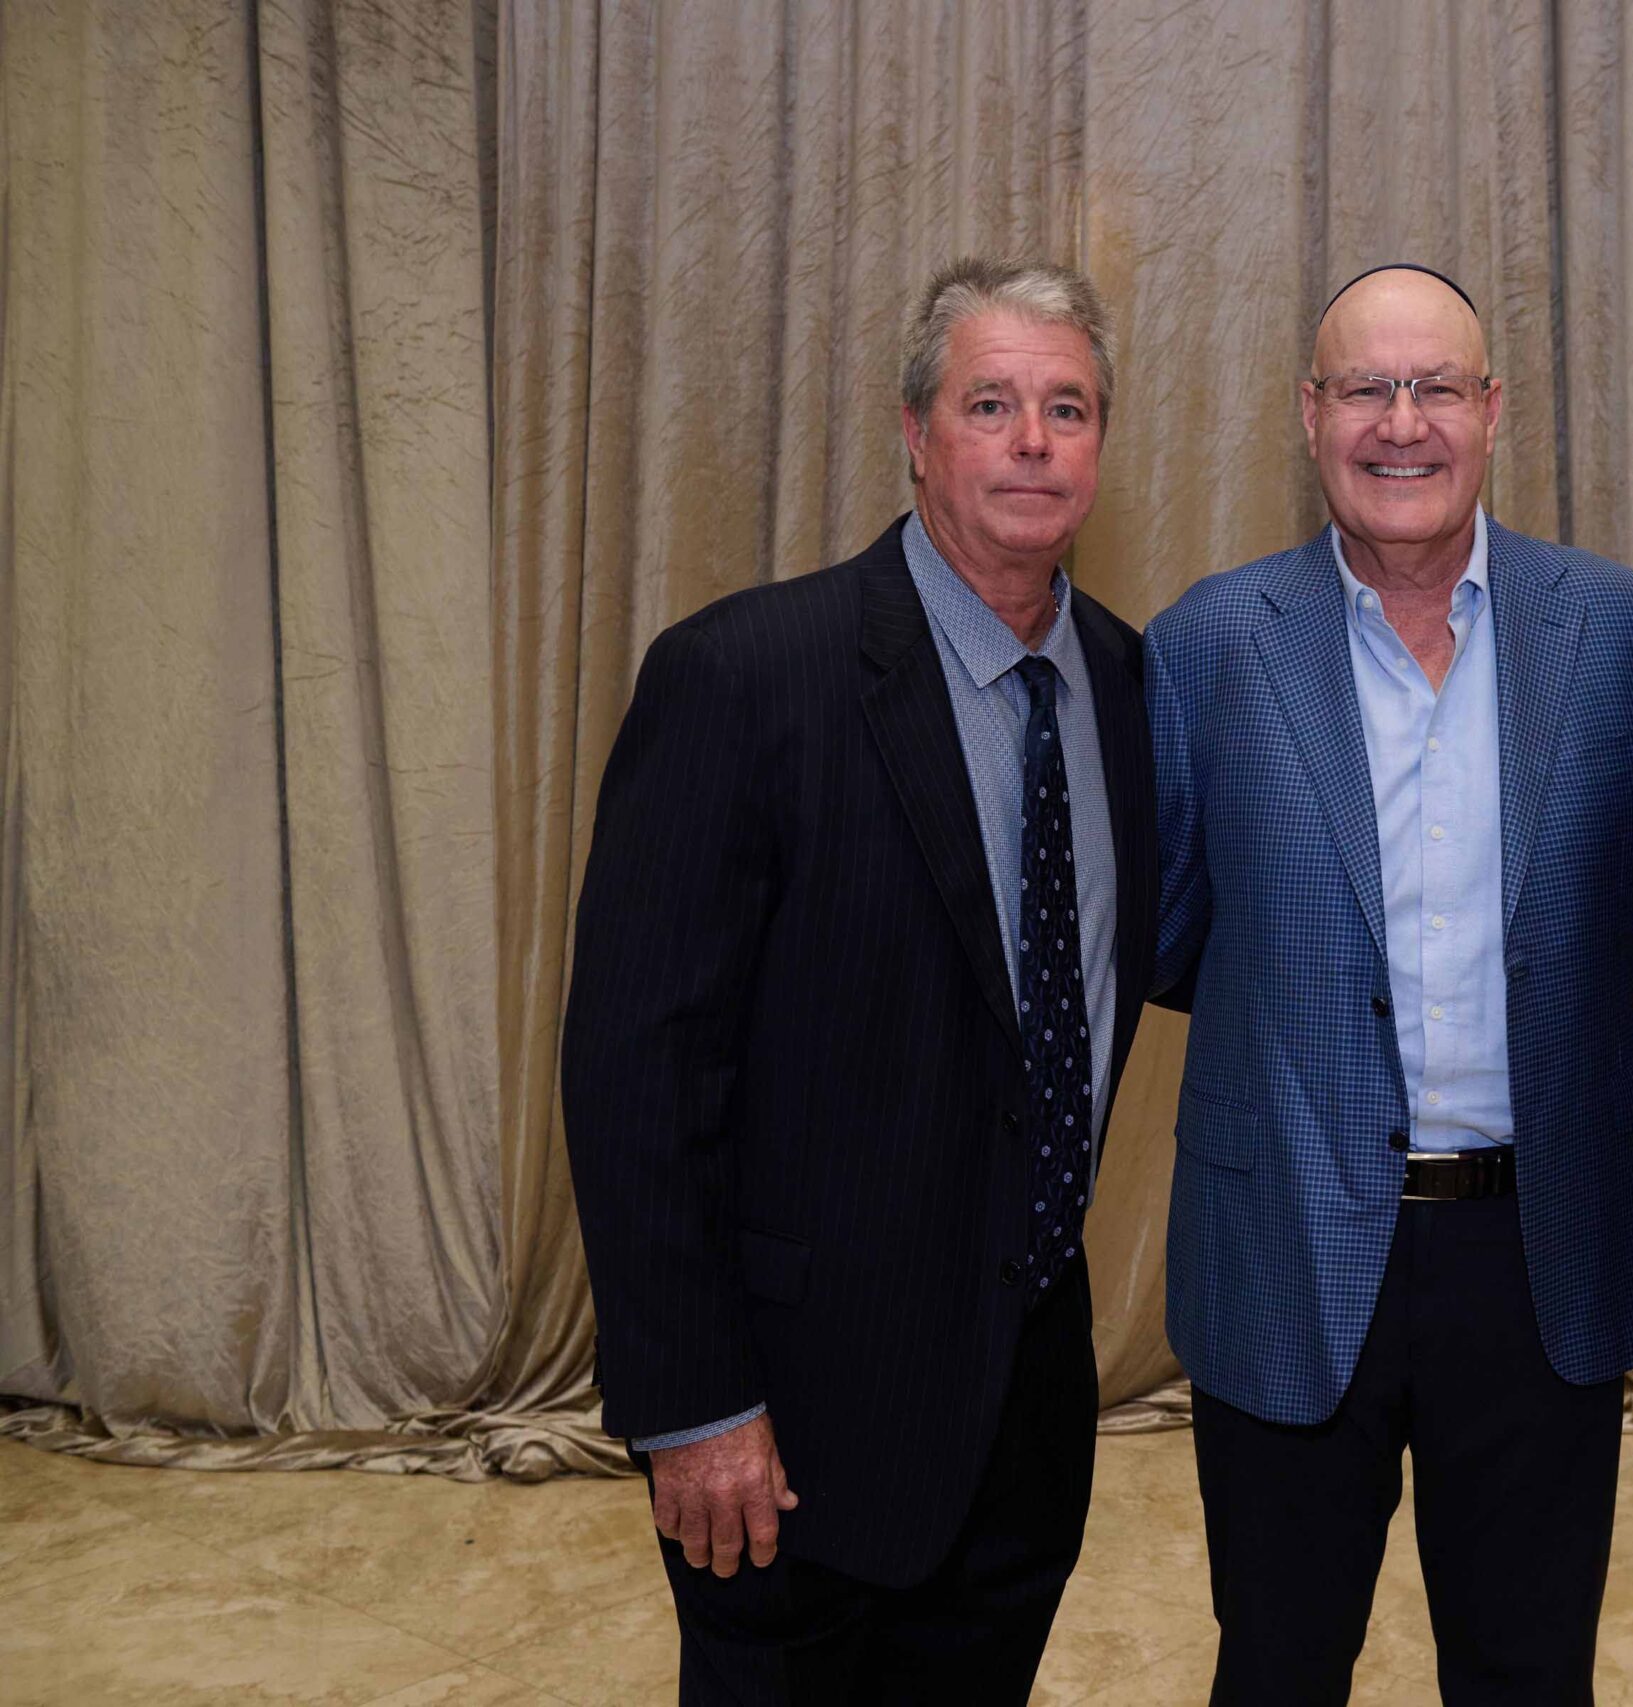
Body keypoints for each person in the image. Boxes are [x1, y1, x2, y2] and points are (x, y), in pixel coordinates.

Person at [559, 256, 1153, 1704]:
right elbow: (636, 1072)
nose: (1031, 442)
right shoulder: (744, 677)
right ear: (914, 433)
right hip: (792, 1427)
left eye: (1067, 408)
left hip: (1025, 1409)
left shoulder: (1132, 687)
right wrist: (695, 1402)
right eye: (990, 404)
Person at [1145, 263, 1633, 1704]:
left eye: (1436, 387)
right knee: (1277, 1667)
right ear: (1308, 414)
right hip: (1286, 1235)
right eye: (1365, 389)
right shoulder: (1210, 645)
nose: (1402, 423)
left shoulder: (1629, 633)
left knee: (1528, 1673)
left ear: (1493, 410)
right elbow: (1174, 933)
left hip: (1540, 1249)